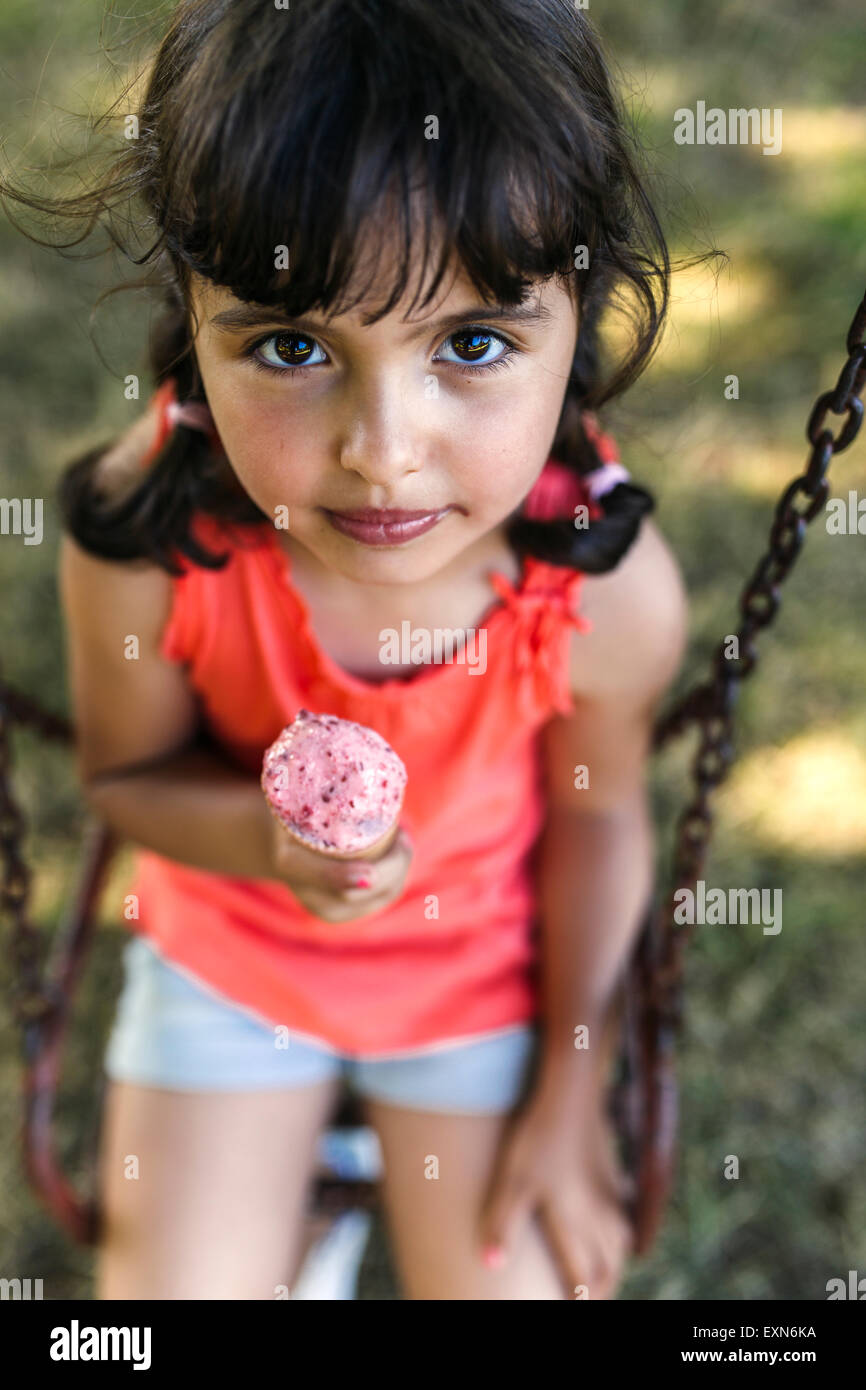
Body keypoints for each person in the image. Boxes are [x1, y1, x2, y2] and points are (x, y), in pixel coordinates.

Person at [5, 0, 695, 1298]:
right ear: (192, 317)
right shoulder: (145, 541)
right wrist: (271, 847)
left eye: (473, 342)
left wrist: (571, 1081)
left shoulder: (598, 590)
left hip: (479, 978)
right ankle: (287, 1195)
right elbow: (125, 780)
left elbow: (596, 823)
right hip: (233, 959)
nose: (382, 447)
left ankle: (332, 1169)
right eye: (292, 344)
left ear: (579, 312)